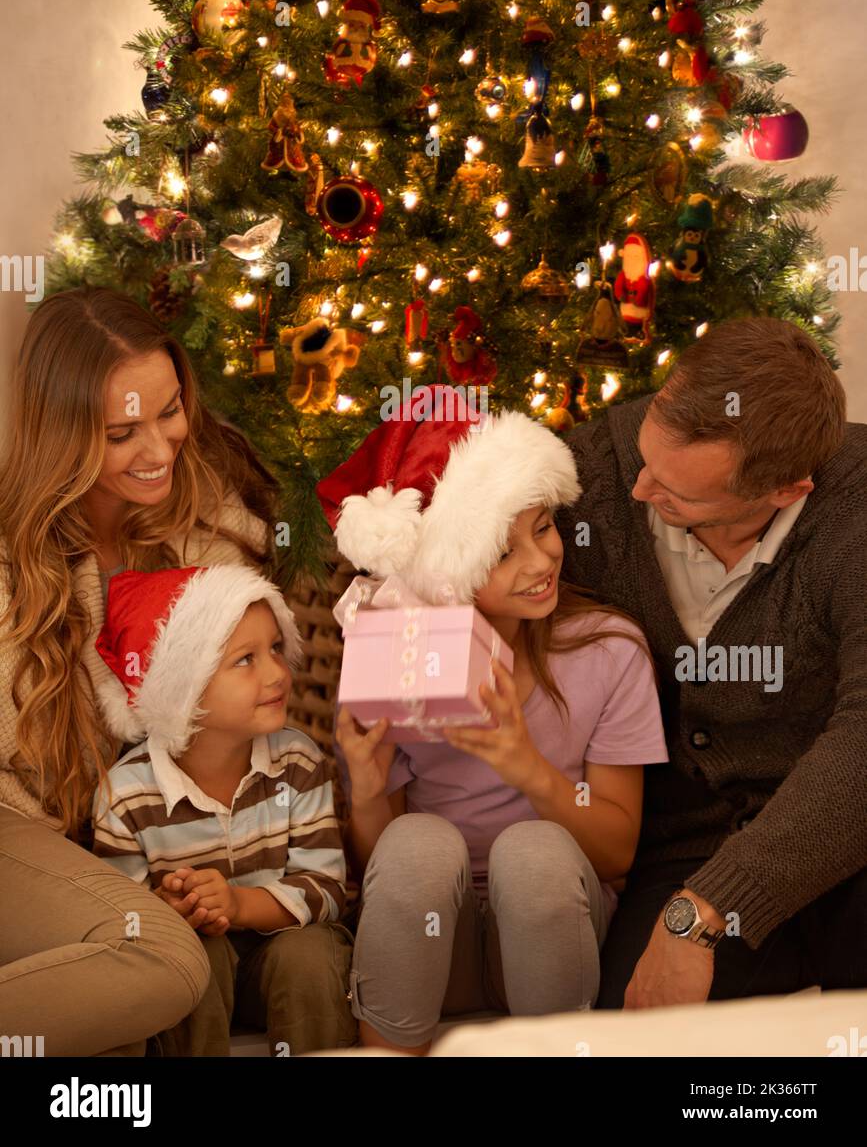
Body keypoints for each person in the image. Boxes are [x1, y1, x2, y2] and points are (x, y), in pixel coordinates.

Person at [315, 389, 669, 1054]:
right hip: (432, 945)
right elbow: (379, 862)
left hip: (548, 942)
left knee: (531, 854)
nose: (539, 561)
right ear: (445, 576)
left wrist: (524, 766)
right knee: (417, 842)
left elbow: (616, 852)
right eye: (501, 555)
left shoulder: (607, 650)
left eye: (542, 528)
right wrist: (364, 790)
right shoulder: (393, 658)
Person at [553, 316, 867, 1009]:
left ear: (786, 492)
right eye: (645, 464)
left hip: (846, 848)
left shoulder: (855, 512)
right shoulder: (596, 476)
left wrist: (704, 913)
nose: (641, 495)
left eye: (678, 497)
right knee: (634, 1035)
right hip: (677, 856)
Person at [0, 287, 278, 1056]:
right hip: (14, 823)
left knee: (115, 1023)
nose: (159, 448)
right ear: (62, 435)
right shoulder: (9, 558)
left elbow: (231, 725)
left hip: (117, 851)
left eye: (169, 411)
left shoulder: (209, 532)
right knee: (154, 959)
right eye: (122, 432)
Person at [91, 563, 356, 1056]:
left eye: (277, 648)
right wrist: (173, 912)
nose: (279, 671)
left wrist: (236, 907)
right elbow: (120, 925)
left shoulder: (297, 762)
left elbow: (326, 890)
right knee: (195, 953)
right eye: (245, 660)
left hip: (281, 972)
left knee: (312, 951)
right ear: (182, 688)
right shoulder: (125, 797)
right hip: (195, 984)